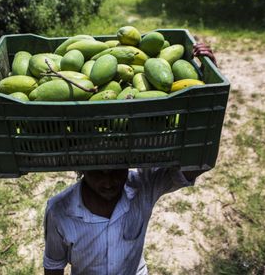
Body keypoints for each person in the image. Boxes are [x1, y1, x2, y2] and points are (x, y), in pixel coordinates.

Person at [43, 43, 217, 275]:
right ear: (80, 168)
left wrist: (209, 85)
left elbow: (197, 164)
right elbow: (53, 266)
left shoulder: (142, 187)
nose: (108, 181)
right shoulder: (59, 211)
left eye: (116, 169)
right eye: (97, 171)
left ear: (129, 161)